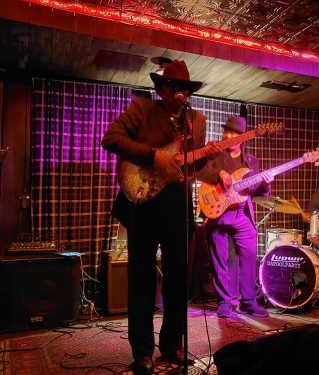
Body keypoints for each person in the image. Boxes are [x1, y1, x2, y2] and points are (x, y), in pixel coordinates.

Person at [101, 60, 208, 375]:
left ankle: (172, 345)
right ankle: (143, 353)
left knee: (178, 280)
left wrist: (206, 159)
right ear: (161, 89)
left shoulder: (195, 121)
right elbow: (110, 139)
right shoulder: (142, 109)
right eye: (173, 87)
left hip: (176, 204)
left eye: (184, 89)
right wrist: (153, 156)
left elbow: (190, 169)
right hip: (143, 203)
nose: (179, 93)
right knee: (142, 280)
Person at [197, 116, 273, 318]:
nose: (228, 136)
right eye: (226, 131)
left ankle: (249, 302)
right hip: (218, 211)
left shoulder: (251, 161)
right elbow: (200, 170)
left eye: (233, 133)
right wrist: (219, 173)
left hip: (242, 213)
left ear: (243, 137)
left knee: (249, 258)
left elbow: (259, 192)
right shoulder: (215, 156)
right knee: (219, 260)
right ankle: (224, 303)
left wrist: (265, 183)